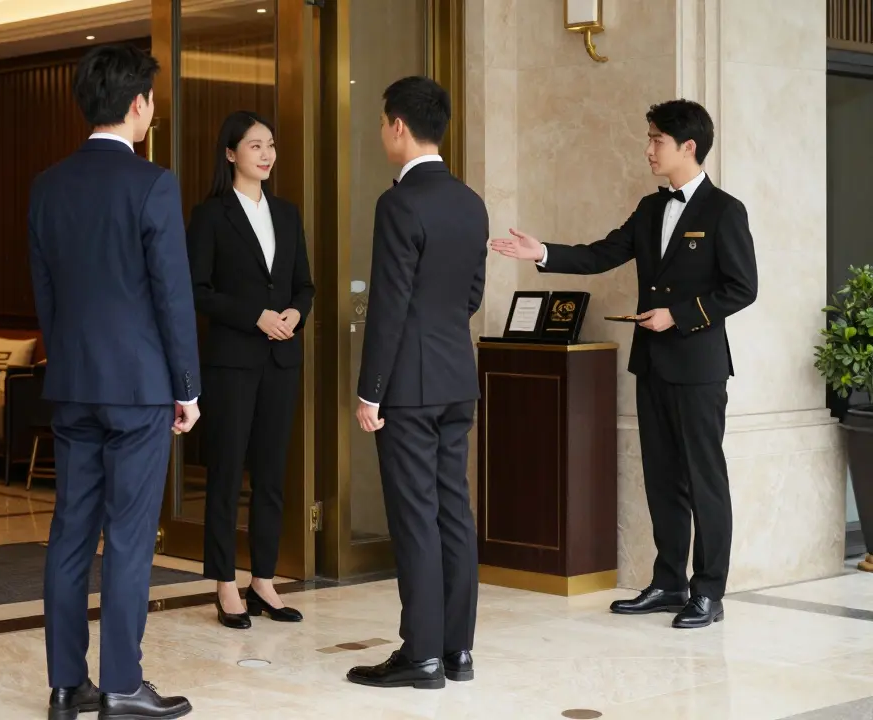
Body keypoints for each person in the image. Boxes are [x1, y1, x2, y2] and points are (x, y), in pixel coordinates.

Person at [490, 99, 758, 629]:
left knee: (704, 479)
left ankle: (708, 591)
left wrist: (677, 317)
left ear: (689, 146)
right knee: (661, 478)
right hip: (652, 365)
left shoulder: (726, 211)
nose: (649, 149)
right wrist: (541, 251)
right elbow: (601, 253)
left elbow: (742, 288)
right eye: (650, 138)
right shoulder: (650, 208)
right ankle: (667, 582)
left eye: (657, 140)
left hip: (699, 368)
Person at [29, 43, 200, 720]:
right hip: (138, 389)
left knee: (71, 532)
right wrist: (186, 387)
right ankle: (123, 685)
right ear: (138, 105)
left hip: (71, 383)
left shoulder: (47, 184)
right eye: (152, 101)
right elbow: (171, 296)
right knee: (128, 537)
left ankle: (68, 687)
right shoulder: (152, 184)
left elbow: (44, 293)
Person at [345, 76, 488, 690]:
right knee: (453, 511)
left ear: (399, 126)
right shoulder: (469, 201)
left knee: (414, 517)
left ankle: (422, 655)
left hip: (407, 385)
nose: (383, 134)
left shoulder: (398, 203)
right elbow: (473, 295)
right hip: (458, 376)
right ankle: (457, 652)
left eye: (383, 123)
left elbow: (390, 303)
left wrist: (370, 389)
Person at [186, 110, 315, 630]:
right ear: (230, 153)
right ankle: (224, 582)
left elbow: (304, 285)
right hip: (232, 363)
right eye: (256, 145)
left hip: (281, 360)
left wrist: (294, 313)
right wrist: (254, 315)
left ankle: (263, 578)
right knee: (225, 473)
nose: (267, 154)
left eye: (271, 145)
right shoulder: (211, 215)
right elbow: (198, 291)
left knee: (271, 475)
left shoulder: (286, 213)